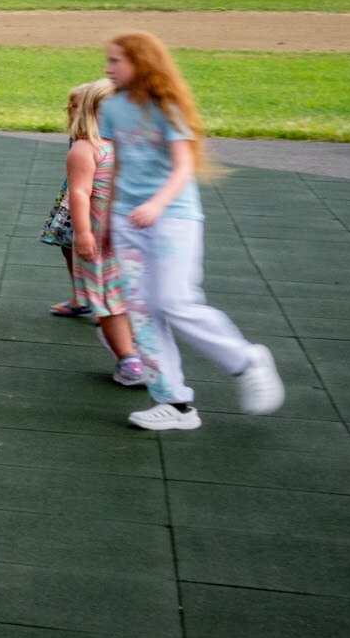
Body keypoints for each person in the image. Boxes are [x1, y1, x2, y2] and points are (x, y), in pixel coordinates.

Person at [102, 31, 284, 432]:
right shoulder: (112, 109)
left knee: (174, 301)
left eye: (115, 60)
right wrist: (109, 220)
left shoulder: (168, 107)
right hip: (127, 221)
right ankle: (174, 403)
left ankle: (245, 359)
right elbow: (116, 166)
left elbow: (184, 167)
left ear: (141, 62)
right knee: (143, 313)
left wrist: (155, 204)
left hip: (173, 218)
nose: (107, 68)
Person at [56, 78, 145, 387]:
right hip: (103, 239)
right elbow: (78, 194)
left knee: (122, 298)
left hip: (131, 237)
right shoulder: (86, 150)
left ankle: (133, 355)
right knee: (110, 299)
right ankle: (131, 358)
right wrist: (82, 234)